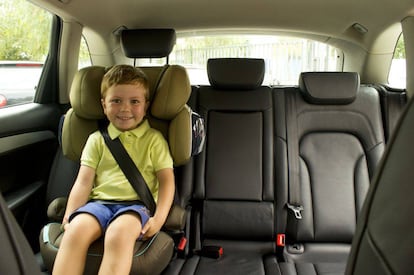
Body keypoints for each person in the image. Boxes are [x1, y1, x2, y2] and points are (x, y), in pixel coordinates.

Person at [52, 65, 175, 275]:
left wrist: (159, 219)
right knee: (76, 231)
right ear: (104, 105)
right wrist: (70, 215)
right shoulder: (97, 140)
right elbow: (83, 182)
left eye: (134, 101)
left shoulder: (154, 140)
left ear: (145, 106)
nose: (125, 109)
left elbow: (166, 181)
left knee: (118, 234)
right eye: (116, 101)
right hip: (98, 204)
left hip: (136, 207)